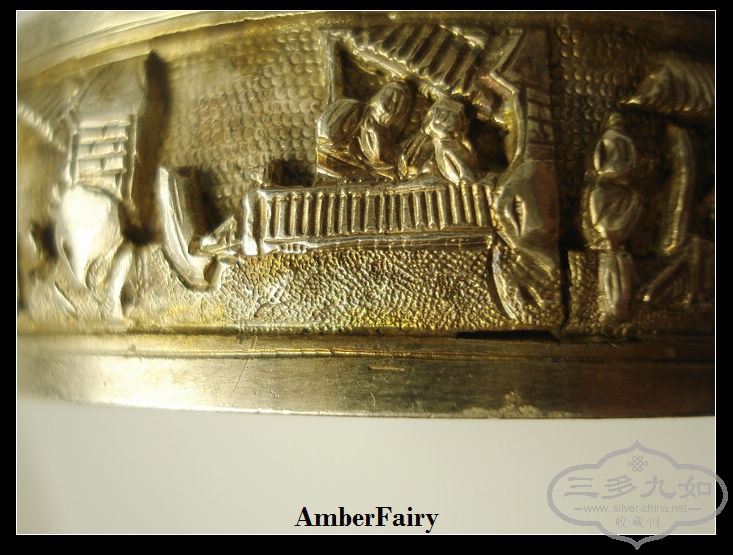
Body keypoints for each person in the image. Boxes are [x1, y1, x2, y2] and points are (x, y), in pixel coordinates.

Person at [316, 81, 412, 180]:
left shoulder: (379, 140)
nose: (394, 100)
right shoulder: (355, 109)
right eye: (390, 94)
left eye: (401, 104)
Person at [398, 97, 478, 186]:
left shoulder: (454, 147)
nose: (443, 119)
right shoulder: (417, 140)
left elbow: (466, 177)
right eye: (441, 113)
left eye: (450, 116)